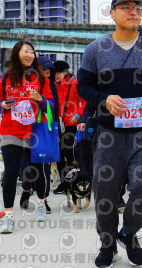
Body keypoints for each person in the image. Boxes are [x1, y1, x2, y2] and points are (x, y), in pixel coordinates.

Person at [77, 0, 142, 267]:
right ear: (112, 13)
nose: (134, 12)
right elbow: (83, 86)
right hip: (109, 133)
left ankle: (128, 234)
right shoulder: (95, 50)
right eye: (126, 7)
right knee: (105, 193)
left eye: (138, 8)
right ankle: (107, 244)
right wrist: (102, 99)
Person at [0, 40, 55, 233]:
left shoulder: (41, 79)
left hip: (35, 129)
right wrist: (2, 106)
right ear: (16, 54)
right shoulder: (5, 78)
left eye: (32, 52)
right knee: (11, 171)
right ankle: (8, 217)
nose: (29, 55)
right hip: (11, 129)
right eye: (25, 51)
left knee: (37, 170)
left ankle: (41, 204)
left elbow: (51, 105)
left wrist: (41, 99)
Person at [18, 56, 59, 213]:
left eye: (49, 73)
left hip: (43, 130)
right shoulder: (24, 83)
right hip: (24, 130)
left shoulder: (50, 85)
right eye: (44, 72)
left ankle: (44, 199)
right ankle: (27, 190)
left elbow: (54, 108)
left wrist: (54, 131)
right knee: (26, 166)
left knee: (45, 167)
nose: (47, 76)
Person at [52, 59, 85, 195]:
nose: (56, 75)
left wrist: (77, 115)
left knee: (69, 154)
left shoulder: (75, 85)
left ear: (65, 72)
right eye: (55, 73)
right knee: (58, 155)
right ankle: (64, 183)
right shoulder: (53, 85)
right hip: (57, 126)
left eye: (58, 73)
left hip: (71, 125)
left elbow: (85, 102)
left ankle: (74, 181)